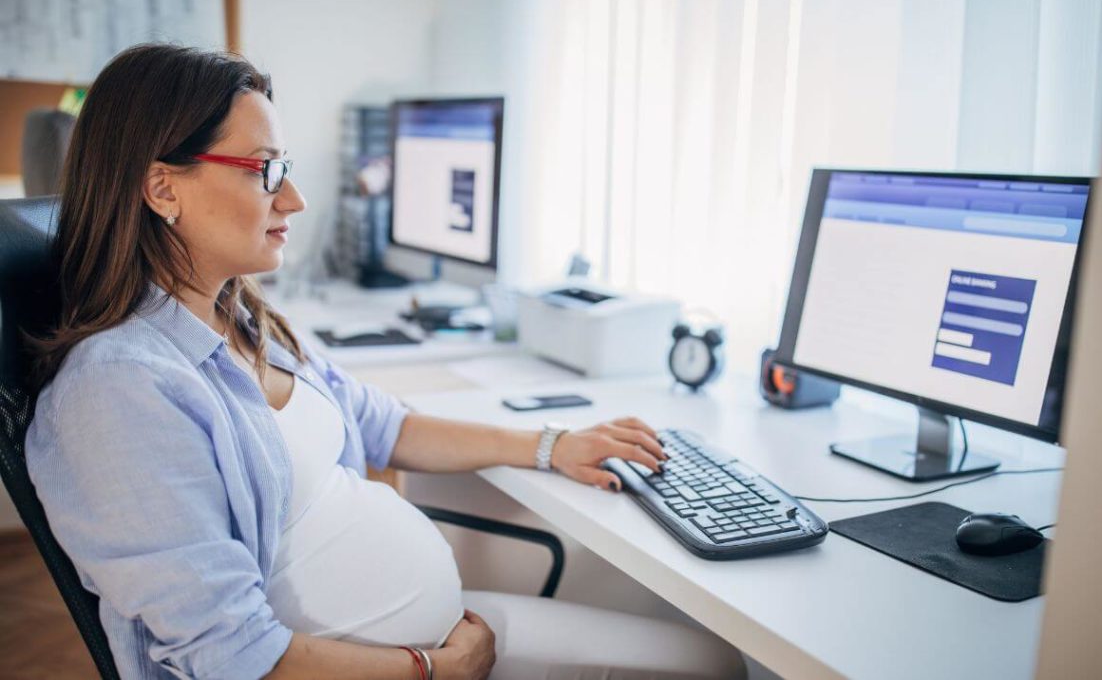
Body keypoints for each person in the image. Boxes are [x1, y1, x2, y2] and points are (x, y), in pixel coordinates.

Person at [23, 44, 747, 680]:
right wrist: (432, 667)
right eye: (267, 169)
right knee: (709, 665)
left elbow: (384, 424)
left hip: (431, 644)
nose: (295, 199)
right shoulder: (117, 393)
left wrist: (553, 444)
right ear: (162, 187)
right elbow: (232, 657)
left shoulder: (241, 319)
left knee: (710, 660)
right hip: (398, 663)